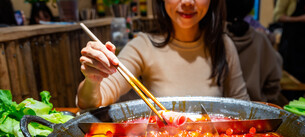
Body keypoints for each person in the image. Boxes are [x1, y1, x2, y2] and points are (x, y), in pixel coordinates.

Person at [76, 0, 250, 110]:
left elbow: (244, 109)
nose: (188, 2)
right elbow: (91, 102)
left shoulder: (224, 45)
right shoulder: (143, 46)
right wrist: (93, 79)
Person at [226, 0, 284, 105]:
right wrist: (264, 100)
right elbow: (274, 81)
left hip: (217, 112)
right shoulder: (261, 39)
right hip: (256, 111)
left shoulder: (212, 40)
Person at [273, 0, 305, 83]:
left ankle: (301, 94)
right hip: (292, 42)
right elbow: (277, 17)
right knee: (291, 78)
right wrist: (301, 19)